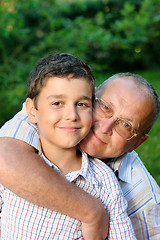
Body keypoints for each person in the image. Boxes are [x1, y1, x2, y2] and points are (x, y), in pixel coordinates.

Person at [0, 72, 160, 239]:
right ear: (90, 97)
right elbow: (4, 158)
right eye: (105, 107)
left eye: (126, 125)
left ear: (136, 144)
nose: (105, 127)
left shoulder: (145, 201)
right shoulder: (53, 113)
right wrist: (92, 212)